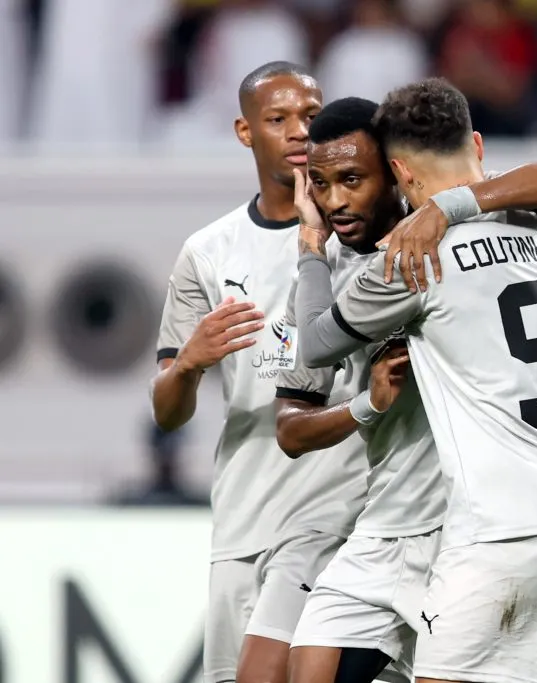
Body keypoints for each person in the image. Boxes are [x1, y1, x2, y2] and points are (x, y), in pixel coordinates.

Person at [291, 78, 537, 683]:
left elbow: (315, 342)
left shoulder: (413, 258)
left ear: (399, 174)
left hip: (500, 526)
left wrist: (310, 247)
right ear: (479, 147)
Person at [151, 62, 372, 683]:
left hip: (345, 513)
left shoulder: (366, 235)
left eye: (311, 114)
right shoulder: (209, 250)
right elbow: (167, 411)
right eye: (279, 119)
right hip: (246, 516)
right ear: (246, 132)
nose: (301, 131)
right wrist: (190, 363)